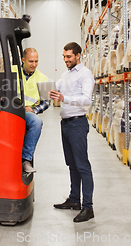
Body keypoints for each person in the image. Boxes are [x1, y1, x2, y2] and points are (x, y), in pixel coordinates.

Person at [49, 42, 95, 223]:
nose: (65, 60)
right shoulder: (65, 74)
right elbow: (56, 87)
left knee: (82, 165)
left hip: (77, 124)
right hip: (66, 124)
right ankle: (74, 199)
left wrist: (63, 98)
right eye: (64, 57)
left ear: (78, 55)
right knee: (72, 164)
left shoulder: (85, 74)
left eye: (68, 57)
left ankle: (88, 207)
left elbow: (86, 99)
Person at [18, 47, 50, 173]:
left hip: (27, 112)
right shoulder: (11, 71)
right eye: (31, 61)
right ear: (23, 60)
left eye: (36, 61)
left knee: (37, 122)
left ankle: (26, 159)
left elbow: (47, 102)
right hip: (10, 109)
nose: (34, 65)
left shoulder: (43, 78)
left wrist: (34, 110)